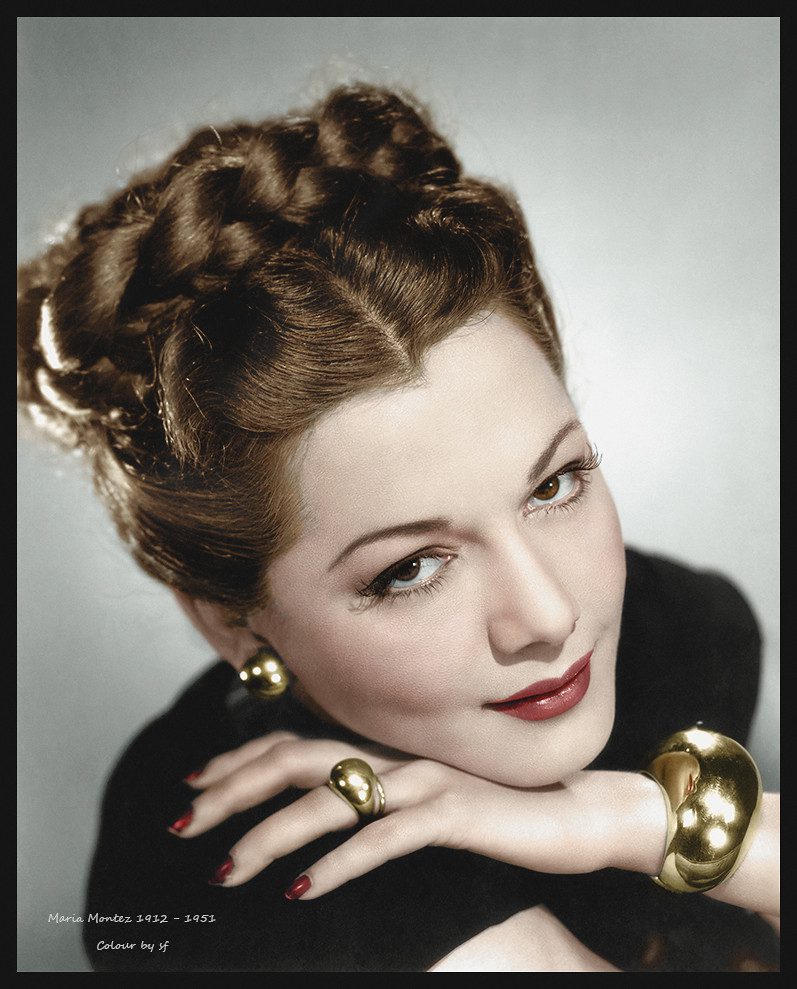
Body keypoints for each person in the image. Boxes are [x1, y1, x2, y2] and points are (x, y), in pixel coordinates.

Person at [17, 84, 779, 972]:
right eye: (411, 567)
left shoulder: (672, 629)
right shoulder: (256, 862)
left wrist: (623, 820)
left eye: (553, 485)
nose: (547, 615)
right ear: (232, 622)